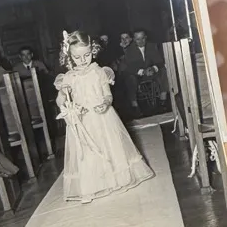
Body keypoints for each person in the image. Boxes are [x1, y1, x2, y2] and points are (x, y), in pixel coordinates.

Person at [54, 30, 154, 203]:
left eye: (87, 55)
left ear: (92, 51)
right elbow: (59, 101)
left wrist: (106, 104)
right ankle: (92, 185)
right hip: (82, 120)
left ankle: (117, 179)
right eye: (77, 57)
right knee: (87, 153)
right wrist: (64, 95)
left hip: (102, 117)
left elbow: (108, 95)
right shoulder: (68, 77)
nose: (83, 60)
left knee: (109, 146)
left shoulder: (99, 72)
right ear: (69, 56)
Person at [118, 29, 170, 114]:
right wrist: (142, 71)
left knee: (163, 70)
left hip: (151, 72)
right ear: (134, 40)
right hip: (137, 75)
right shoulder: (129, 50)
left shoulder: (152, 46)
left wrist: (153, 68)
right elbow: (128, 67)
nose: (141, 41)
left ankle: (163, 100)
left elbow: (159, 61)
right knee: (130, 78)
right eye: (138, 39)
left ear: (146, 37)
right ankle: (135, 105)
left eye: (143, 38)